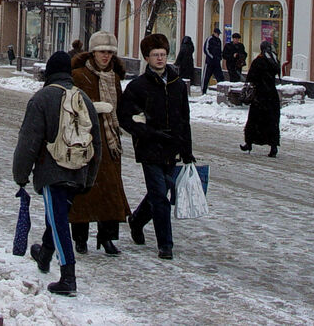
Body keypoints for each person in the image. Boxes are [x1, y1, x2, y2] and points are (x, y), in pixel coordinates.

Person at [12, 51, 101, 297]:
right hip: (79, 171)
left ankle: (68, 275)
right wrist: (90, 177)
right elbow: (97, 143)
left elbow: (28, 142)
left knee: (59, 220)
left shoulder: (41, 99)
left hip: (53, 172)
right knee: (58, 215)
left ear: (49, 73)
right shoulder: (84, 99)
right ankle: (44, 254)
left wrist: (21, 176)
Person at [118, 32, 195, 260]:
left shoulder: (177, 85)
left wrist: (187, 149)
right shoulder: (137, 87)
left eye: (162, 54)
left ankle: (137, 220)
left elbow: (184, 118)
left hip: (172, 147)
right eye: (155, 55)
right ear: (147, 58)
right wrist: (145, 131)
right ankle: (165, 245)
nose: (160, 59)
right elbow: (125, 117)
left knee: (161, 191)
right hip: (149, 147)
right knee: (160, 196)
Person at [68, 30, 131, 256]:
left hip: (110, 142)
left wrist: (134, 119)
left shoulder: (114, 78)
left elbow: (121, 107)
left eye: (110, 53)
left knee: (110, 190)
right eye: (102, 52)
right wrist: (92, 108)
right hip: (85, 140)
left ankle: (106, 237)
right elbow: (70, 106)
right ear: (92, 52)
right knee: (84, 190)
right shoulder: (78, 75)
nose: (106, 57)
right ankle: (80, 237)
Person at [240, 41, 282, 157]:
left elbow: (251, 77)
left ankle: (249, 143)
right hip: (272, 96)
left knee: (254, 121)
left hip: (260, 96)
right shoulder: (274, 60)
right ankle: (273, 147)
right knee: (272, 122)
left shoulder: (259, 61)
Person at [200, 27, 225, 94]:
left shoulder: (219, 41)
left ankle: (222, 92)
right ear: (214, 33)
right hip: (209, 62)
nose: (218, 35)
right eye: (217, 33)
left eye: (219, 34)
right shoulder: (210, 39)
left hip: (217, 63)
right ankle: (203, 91)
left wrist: (220, 57)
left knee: (220, 77)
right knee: (206, 77)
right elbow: (206, 49)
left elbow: (219, 50)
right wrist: (212, 57)